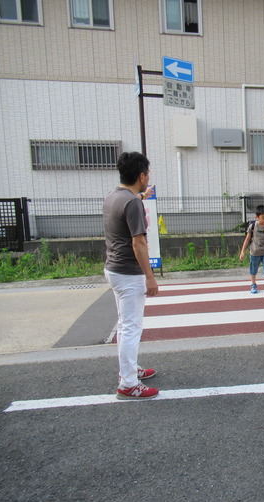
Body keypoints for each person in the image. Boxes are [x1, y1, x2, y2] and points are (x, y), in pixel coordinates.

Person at [103, 151, 159, 400]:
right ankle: (128, 383)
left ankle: (130, 369)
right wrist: (150, 276)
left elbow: (131, 202)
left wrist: (142, 196)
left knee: (125, 325)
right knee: (131, 327)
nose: (148, 178)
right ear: (142, 175)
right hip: (128, 273)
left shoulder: (114, 196)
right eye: (147, 174)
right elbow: (139, 243)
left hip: (113, 269)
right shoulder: (132, 203)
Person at [239, 205, 264, 298]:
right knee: (253, 270)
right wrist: (243, 251)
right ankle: (253, 284)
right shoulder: (253, 226)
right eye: (263, 218)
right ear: (257, 217)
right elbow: (247, 239)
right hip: (254, 252)